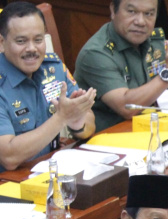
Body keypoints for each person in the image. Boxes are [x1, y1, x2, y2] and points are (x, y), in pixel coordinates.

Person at [74, 0, 168, 131]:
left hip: (152, 127)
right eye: (132, 12)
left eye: (148, 14)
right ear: (113, 10)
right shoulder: (96, 54)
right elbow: (126, 107)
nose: (140, 22)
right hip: (111, 138)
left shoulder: (153, 40)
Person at [0, 2, 96, 172]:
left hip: (50, 170)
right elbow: (9, 156)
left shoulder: (52, 68)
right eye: (21, 41)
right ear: (2, 42)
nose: (32, 49)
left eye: (38, 40)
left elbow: (89, 124)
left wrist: (77, 122)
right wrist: (61, 118)